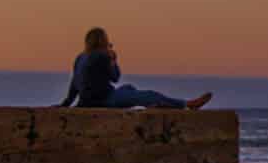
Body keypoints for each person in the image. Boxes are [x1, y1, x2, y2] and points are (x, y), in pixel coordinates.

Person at [57, 29, 213, 110]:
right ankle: (186, 104)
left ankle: (158, 105)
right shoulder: (102, 56)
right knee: (148, 94)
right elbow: (115, 77)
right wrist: (113, 60)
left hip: (86, 101)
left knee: (130, 88)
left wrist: (65, 104)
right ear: (103, 41)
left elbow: (74, 85)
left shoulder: (80, 57)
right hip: (103, 101)